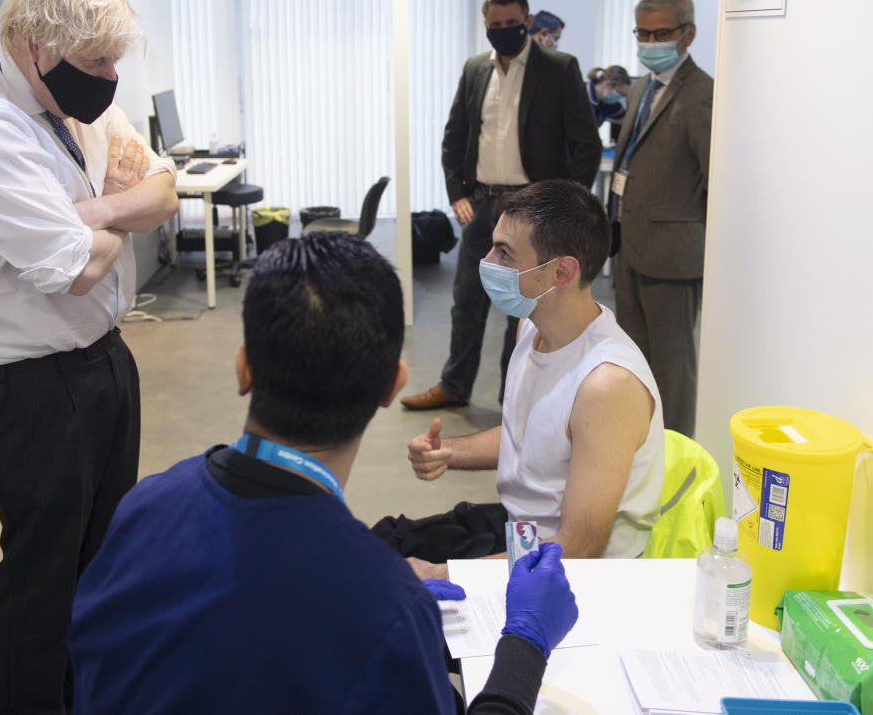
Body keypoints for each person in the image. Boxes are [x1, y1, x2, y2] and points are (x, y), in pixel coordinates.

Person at [68, 233, 580, 715]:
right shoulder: (386, 615)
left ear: (243, 369)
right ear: (390, 386)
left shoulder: (142, 508)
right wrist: (526, 642)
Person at [0, 0, 179, 714]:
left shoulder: (74, 103)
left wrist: (93, 210)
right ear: (35, 46)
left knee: (100, 569)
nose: (112, 79)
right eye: (98, 63)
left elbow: (161, 192)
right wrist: (116, 209)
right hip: (26, 389)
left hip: (101, 363)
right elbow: (77, 272)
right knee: (42, 589)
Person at [376, 180, 664, 570]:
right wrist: (450, 453)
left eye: (505, 253)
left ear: (561, 271)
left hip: (569, 575)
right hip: (523, 533)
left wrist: (442, 573)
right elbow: (531, 434)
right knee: (382, 544)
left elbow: (578, 550)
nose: (488, 261)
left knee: (400, 583)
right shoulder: (530, 327)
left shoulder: (606, 384)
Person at [401, 0, 601, 412]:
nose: (504, 32)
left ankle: (514, 398)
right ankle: (454, 386)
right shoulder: (475, 69)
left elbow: (585, 142)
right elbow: (454, 137)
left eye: (512, 24)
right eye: (495, 26)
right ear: (485, 25)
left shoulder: (559, 68)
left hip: (536, 212)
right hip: (483, 205)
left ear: (528, 22)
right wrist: (458, 192)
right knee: (467, 300)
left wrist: (565, 205)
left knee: (527, 309)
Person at [608, 0, 713, 438]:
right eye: (643, 33)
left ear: (688, 34)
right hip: (628, 248)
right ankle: (642, 450)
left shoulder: (703, 95)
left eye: (662, 33)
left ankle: (678, 460)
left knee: (673, 370)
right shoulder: (639, 89)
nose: (651, 42)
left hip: (673, 257)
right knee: (635, 362)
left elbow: (717, 185)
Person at [586, 64, 631, 142]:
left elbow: (627, 123)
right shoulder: (581, 97)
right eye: (619, 94)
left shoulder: (608, 102)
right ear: (607, 84)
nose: (618, 98)